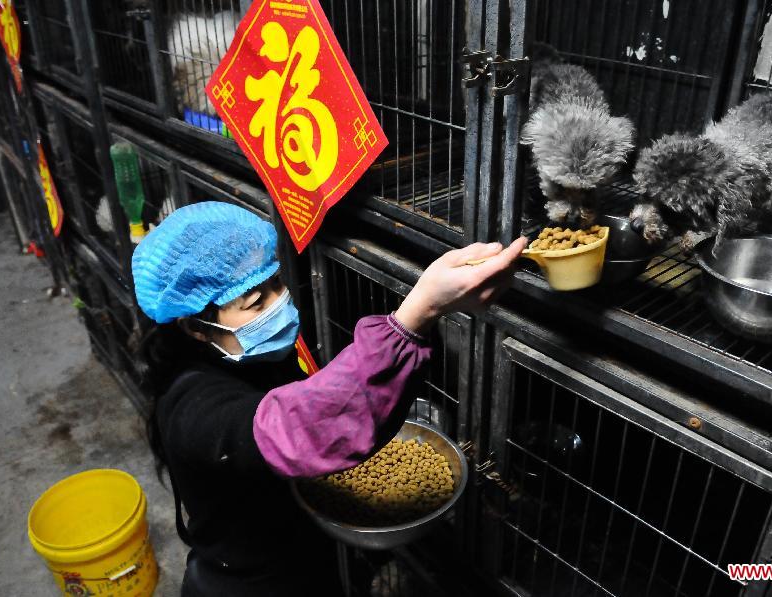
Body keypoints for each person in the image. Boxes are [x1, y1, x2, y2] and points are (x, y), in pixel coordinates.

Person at [131, 201, 526, 596]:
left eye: (277, 283)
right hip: (250, 583)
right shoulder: (192, 407)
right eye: (256, 302)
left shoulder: (249, 358)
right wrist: (418, 313)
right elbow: (300, 425)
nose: (280, 302)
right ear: (196, 328)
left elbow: (323, 398)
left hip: (304, 555)